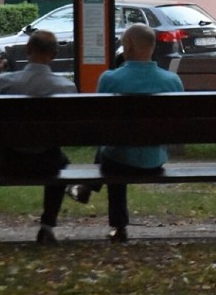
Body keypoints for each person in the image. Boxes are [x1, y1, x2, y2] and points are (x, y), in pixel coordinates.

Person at [67, 23, 183, 243]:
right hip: (154, 159)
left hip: (119, 160)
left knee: (111, 152)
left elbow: (100, 124)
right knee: (113, 148)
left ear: (128, 46)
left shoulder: (110, 79)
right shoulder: (172, 81)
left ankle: (118, 225)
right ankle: (86, 188)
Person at [0, 29, 78, 245]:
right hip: (48, 164)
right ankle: (47, 225)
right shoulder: (67, 87)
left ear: (28, 50)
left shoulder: (5, 83)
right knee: (62, 160)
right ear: (54, 55)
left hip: (9, 162)